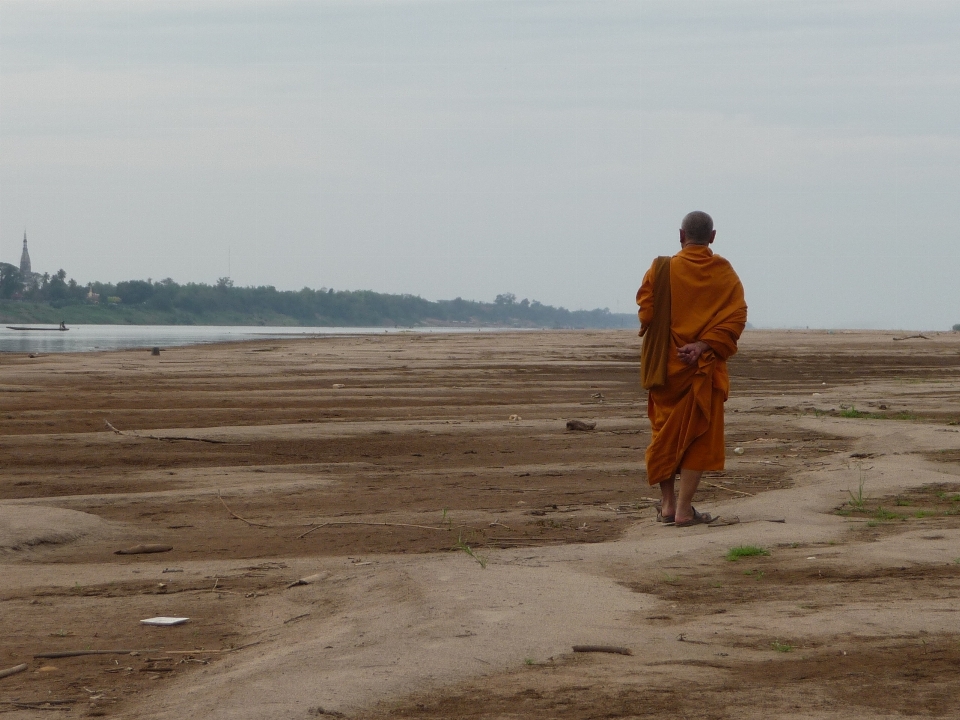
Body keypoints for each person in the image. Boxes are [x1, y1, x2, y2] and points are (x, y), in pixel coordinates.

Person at [636, 211, 747, 527]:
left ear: (681, 235)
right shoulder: (723, 272)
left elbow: (646, 315)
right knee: (697, 436)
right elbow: (737, 316)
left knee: (663, 433)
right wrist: (702, 345)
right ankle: (684, 509)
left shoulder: (661, 270)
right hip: (701, 367)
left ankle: (669, 504)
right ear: (712, 237)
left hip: (666, 369)